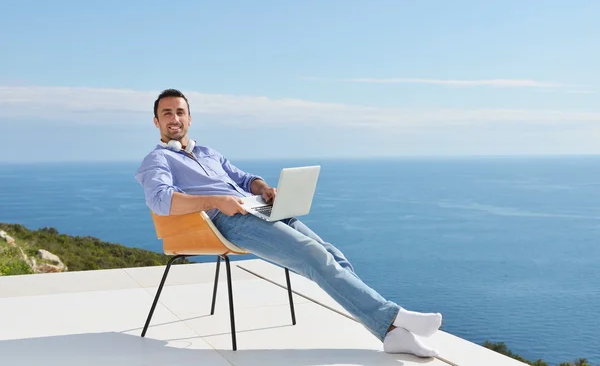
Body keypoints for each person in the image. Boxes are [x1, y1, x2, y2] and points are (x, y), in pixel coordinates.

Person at [135, 89, 443, 357]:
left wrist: (263, 188)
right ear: (156, 122)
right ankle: (395, 317)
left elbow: (242, 178)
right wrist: (215, 201)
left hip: (255, 209)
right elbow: (161, 200)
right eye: (167, 113)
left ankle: (390, 334)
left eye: (180, 112)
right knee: (313, 256)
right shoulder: (158, 160)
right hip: (224, 222)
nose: (174, 118)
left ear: (190, 118)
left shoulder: (207, 152)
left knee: (332, 253)